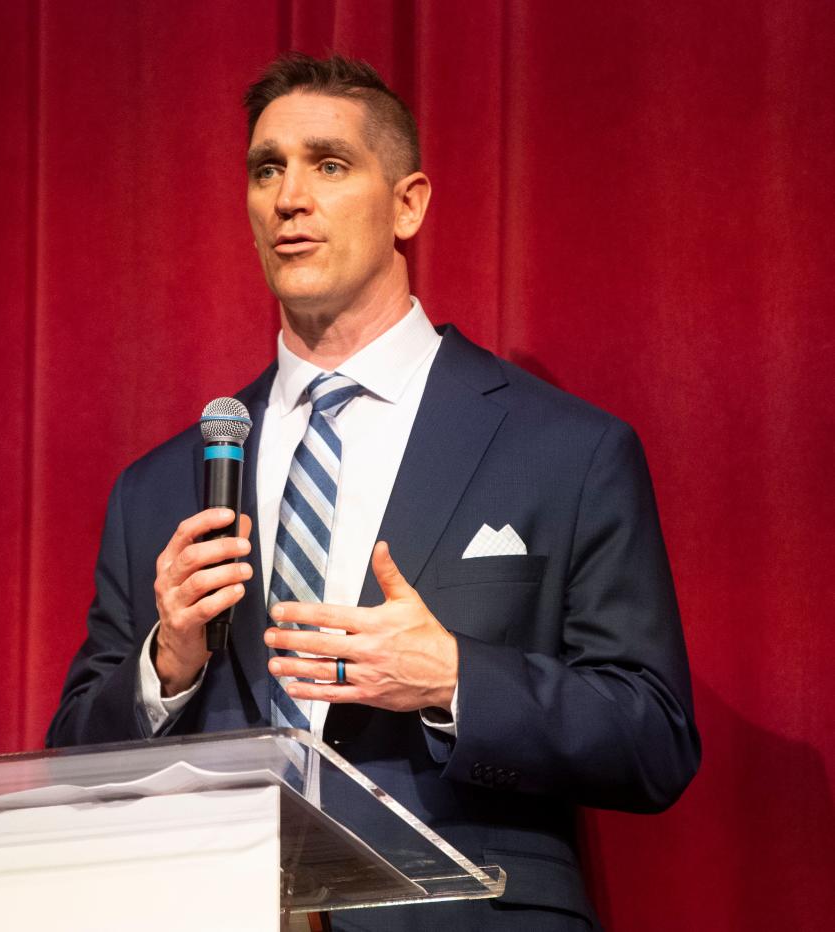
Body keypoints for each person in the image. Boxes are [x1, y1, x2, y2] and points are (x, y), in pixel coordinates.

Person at [47, 53, 700, 930]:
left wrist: (455, 679)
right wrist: (167, 665)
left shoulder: (566, 451)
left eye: (329, 164)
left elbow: (654, 739)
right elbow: (72, 773)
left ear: (409, 204)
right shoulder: (160, 485)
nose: (289, 198)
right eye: (266, 169)